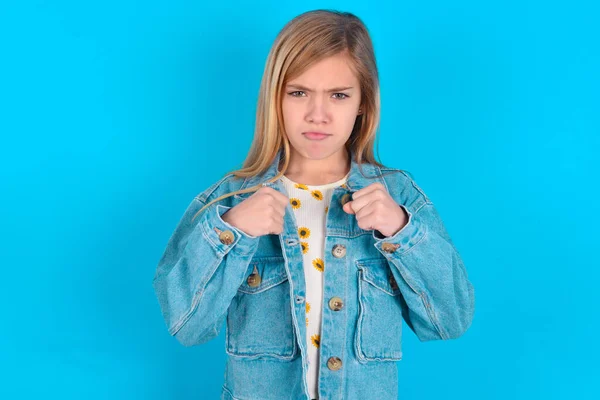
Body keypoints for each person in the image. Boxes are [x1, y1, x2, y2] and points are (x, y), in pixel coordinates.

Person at [152, 9, 475, 400]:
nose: (317, 115)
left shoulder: (397, 196)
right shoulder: (232, 198)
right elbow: (187, 325)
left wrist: (401, 229)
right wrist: (233, 230)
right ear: (277, 97)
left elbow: (450, 319)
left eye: (339, 95)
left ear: (362, 103)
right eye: (299, 92)